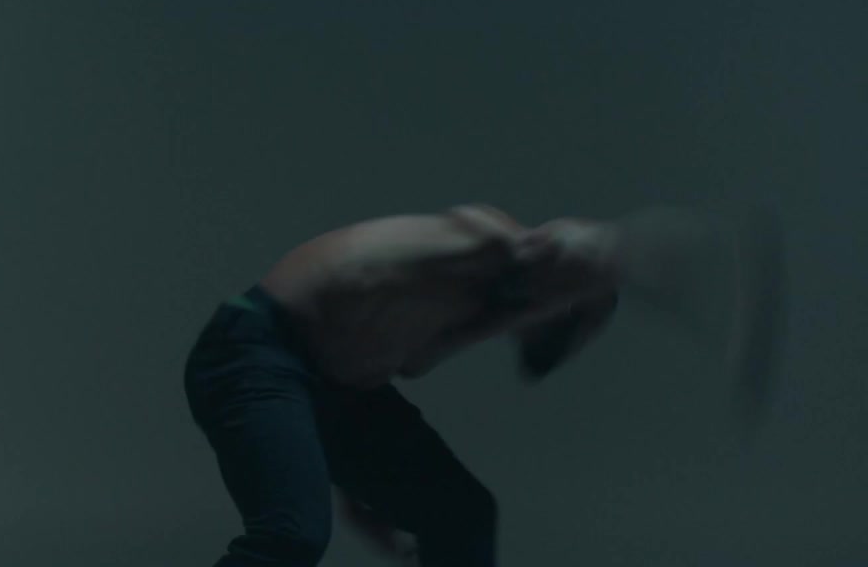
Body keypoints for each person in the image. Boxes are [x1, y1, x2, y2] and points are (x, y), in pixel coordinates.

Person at [181, 204, 639, 567]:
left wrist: (356, 483)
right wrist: (617, 253)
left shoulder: (483, 310)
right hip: (255, 349)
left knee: (462, 515)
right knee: (291, 535)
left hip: (336, 385)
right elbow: (564, 245)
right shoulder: (487, 240)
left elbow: (394, 363)